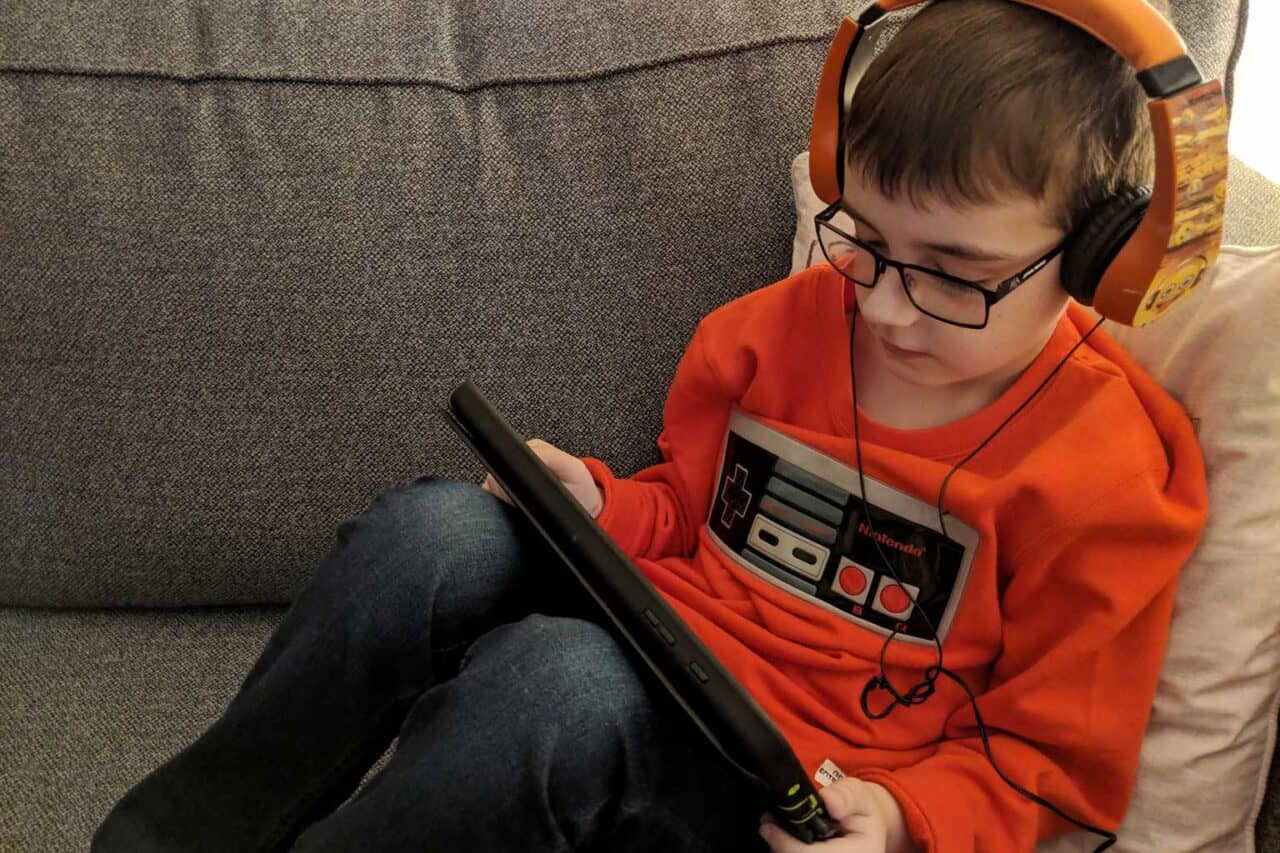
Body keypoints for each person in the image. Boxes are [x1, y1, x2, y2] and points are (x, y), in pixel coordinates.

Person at [92, 1, 1209, 851]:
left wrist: (904, 818)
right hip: (660, 643)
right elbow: (691, 509)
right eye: (862, 239)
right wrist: (598, 505)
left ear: (1101, 260)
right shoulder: (774, 331)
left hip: (783, 787)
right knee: (433, 535)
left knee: (556, 679)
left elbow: (1049, 765)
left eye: (952, 275)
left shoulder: (1108, 474)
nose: (878, 302)